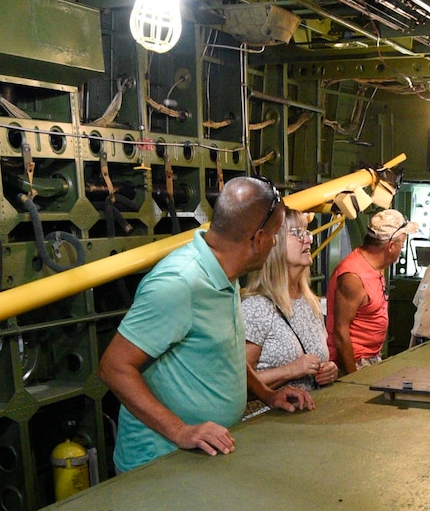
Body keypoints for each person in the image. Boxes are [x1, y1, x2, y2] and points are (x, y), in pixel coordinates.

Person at [99, 177, 312, 470]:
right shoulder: (179, 283)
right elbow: (113, 367)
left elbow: (224, 355)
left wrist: (267, 395)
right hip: (158, 462)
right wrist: (180, 430)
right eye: (275, 234)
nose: (275, 242)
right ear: (258, 238)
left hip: (203, 455)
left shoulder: (227, 275)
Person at [242, 211, 339, 392]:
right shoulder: (256, 308)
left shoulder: (310, 303)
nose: (309, 240)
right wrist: (290, 371)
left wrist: (329, 371)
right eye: (296, 233)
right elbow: (238, 383)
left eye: (307, 232)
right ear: (272, 242)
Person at [326, 207, 413, 374]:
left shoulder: (374, 267)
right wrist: (352, 379)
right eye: (401, 244)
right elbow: (340, 331)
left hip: (370, 358)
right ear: (391, 246)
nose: (401, 250)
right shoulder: (353, 276)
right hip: (356, 362)